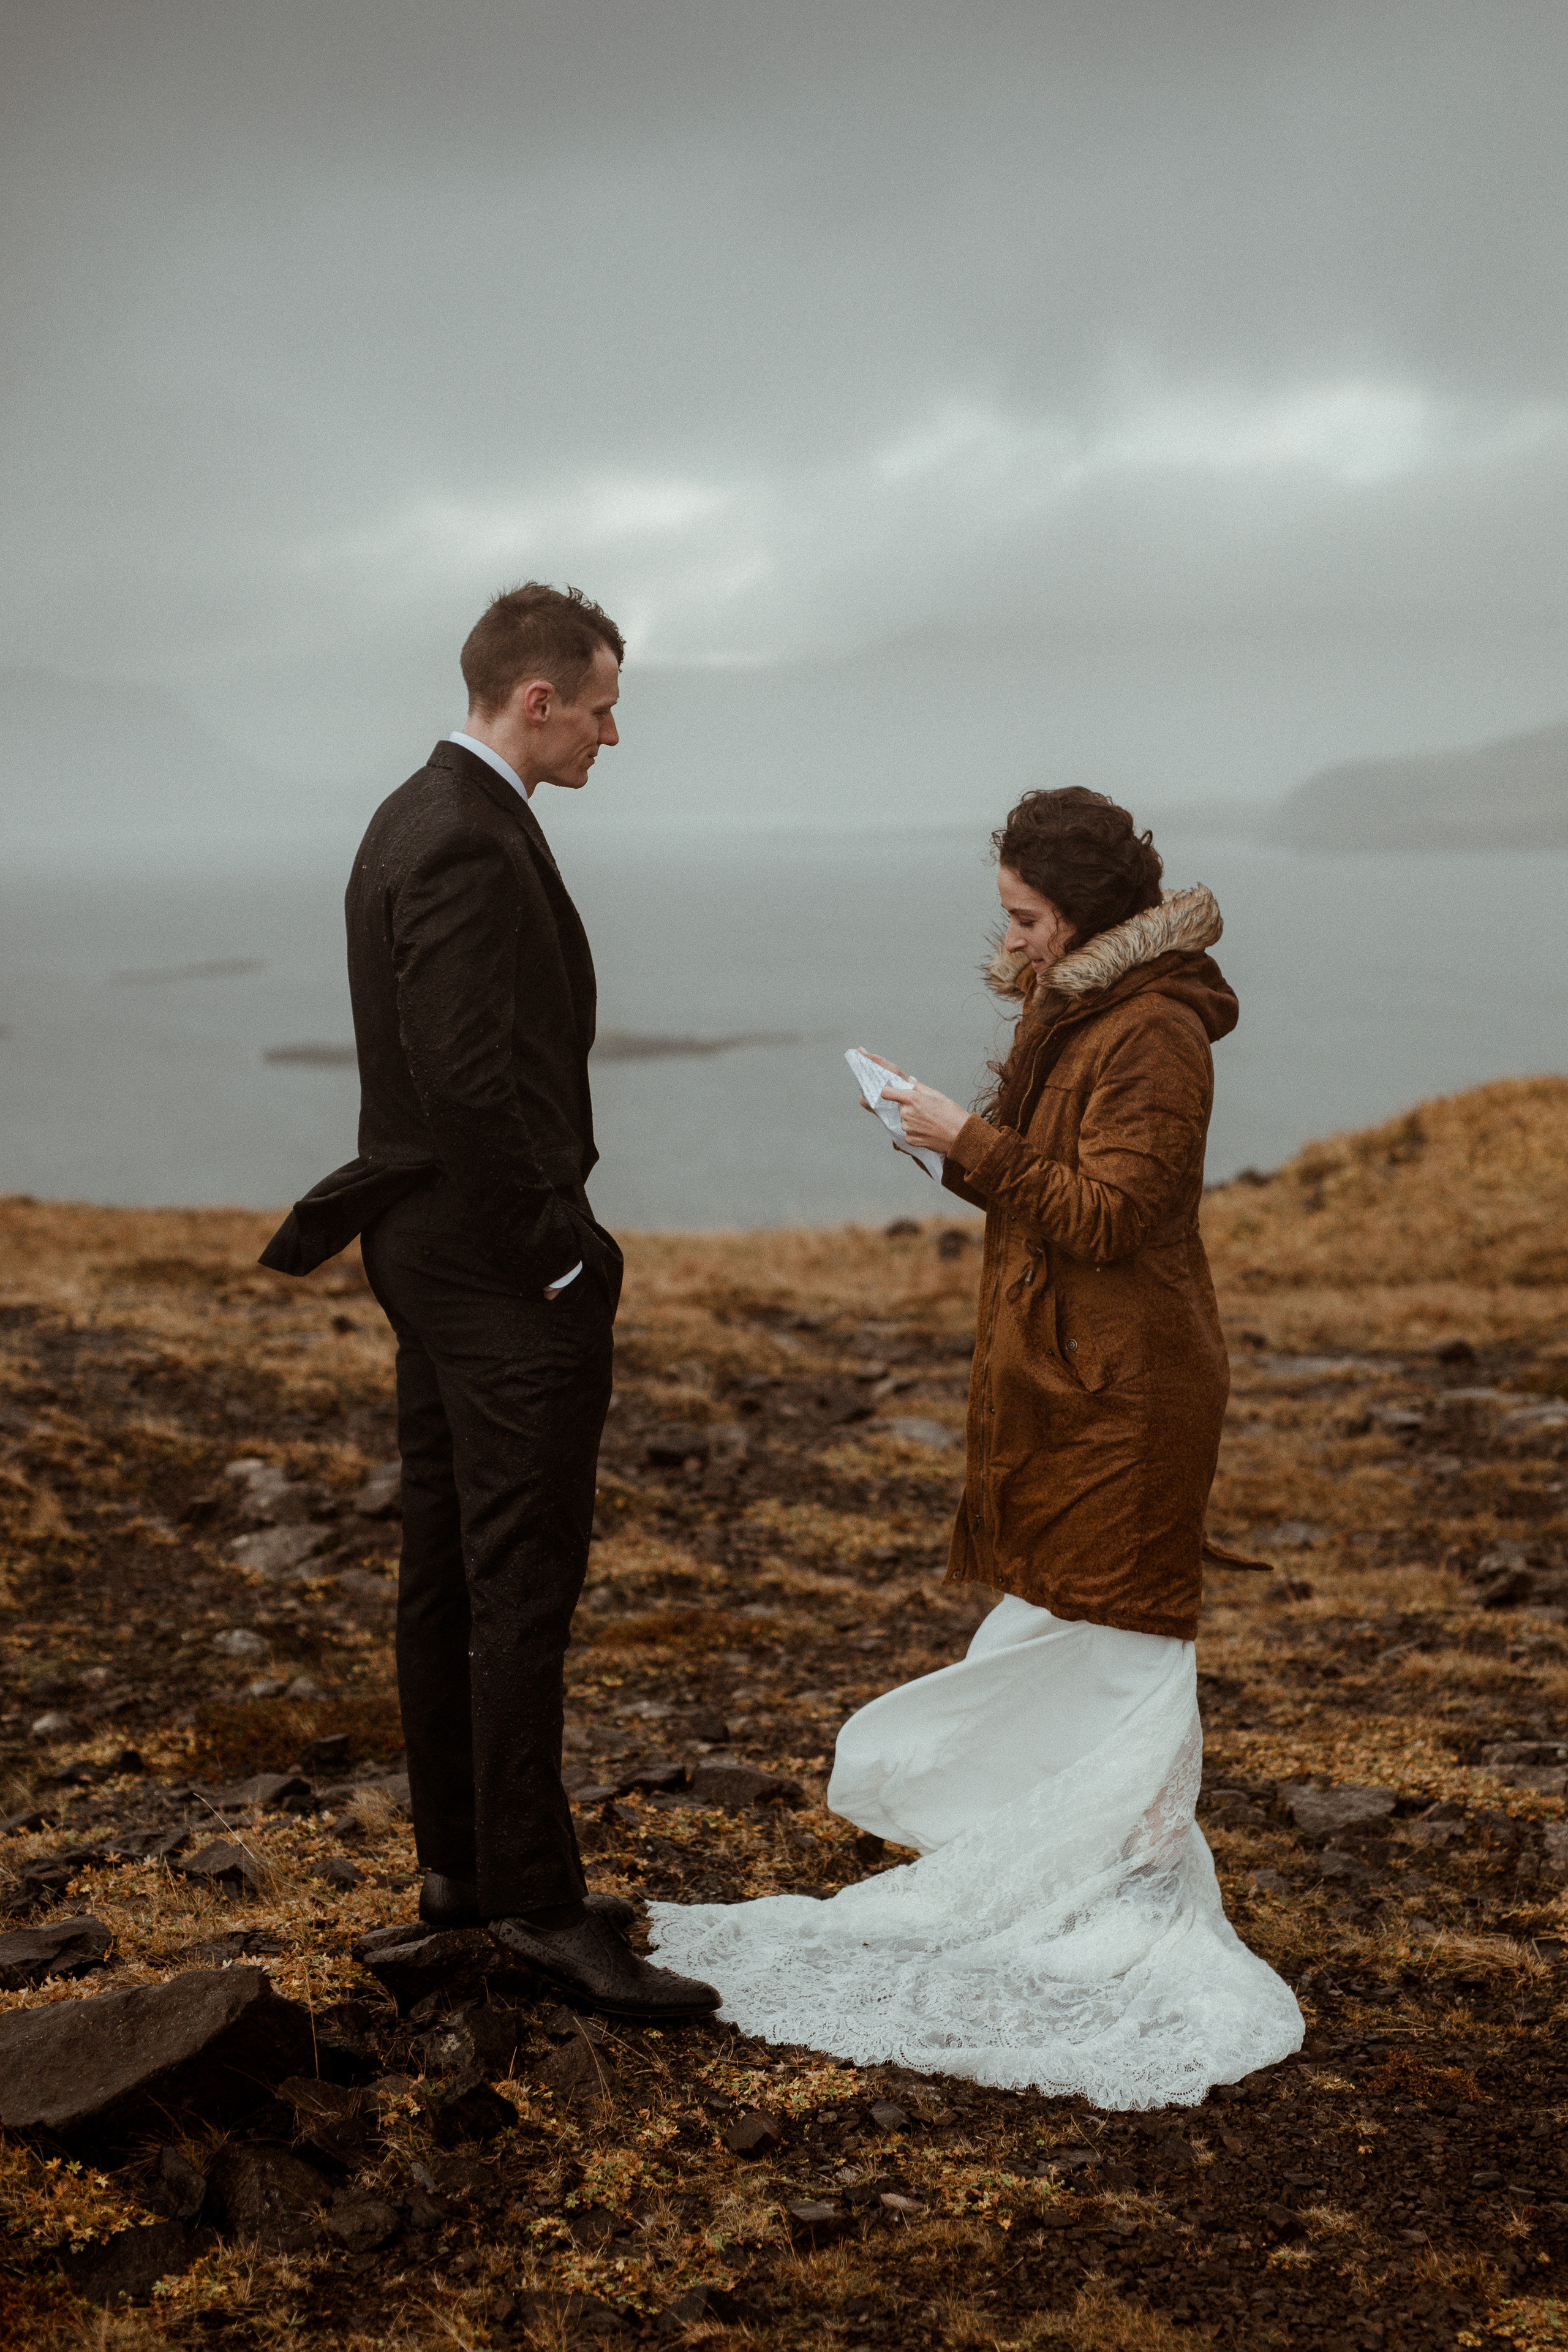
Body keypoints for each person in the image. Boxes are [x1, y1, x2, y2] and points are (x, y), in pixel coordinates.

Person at [649, 786, 1302, 2102]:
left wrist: (970, 1138)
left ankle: (1115, 1893)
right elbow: (1048, 1188)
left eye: (1022, 917)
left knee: (1115, 1640)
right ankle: (1075, 1873)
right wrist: (935, 1140)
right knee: (1070, 1625)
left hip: (1128, 1391)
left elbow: (1111, 1216)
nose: (1006, 939)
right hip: (1076, 1380)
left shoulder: (1156, 1032)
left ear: (1084, 915)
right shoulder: (1078, 1007)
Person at [260, 582, 718, 2025]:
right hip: (485, 1259)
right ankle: (530, 1903)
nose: (612, 733)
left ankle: (462, 1880)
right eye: (598, 706)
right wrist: (557, 1250)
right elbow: (464, 1079)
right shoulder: (459, 837)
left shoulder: (412, 811)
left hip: (424, 1248)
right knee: (518, 1578)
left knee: (447, 1564)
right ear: (534, 701)